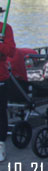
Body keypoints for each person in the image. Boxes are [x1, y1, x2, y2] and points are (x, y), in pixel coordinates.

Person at [0, 11, 16, 162]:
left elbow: (11, 52)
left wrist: (1, 45)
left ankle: (1, 144)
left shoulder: (5, 29)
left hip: (1, 77)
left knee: (0, 111)